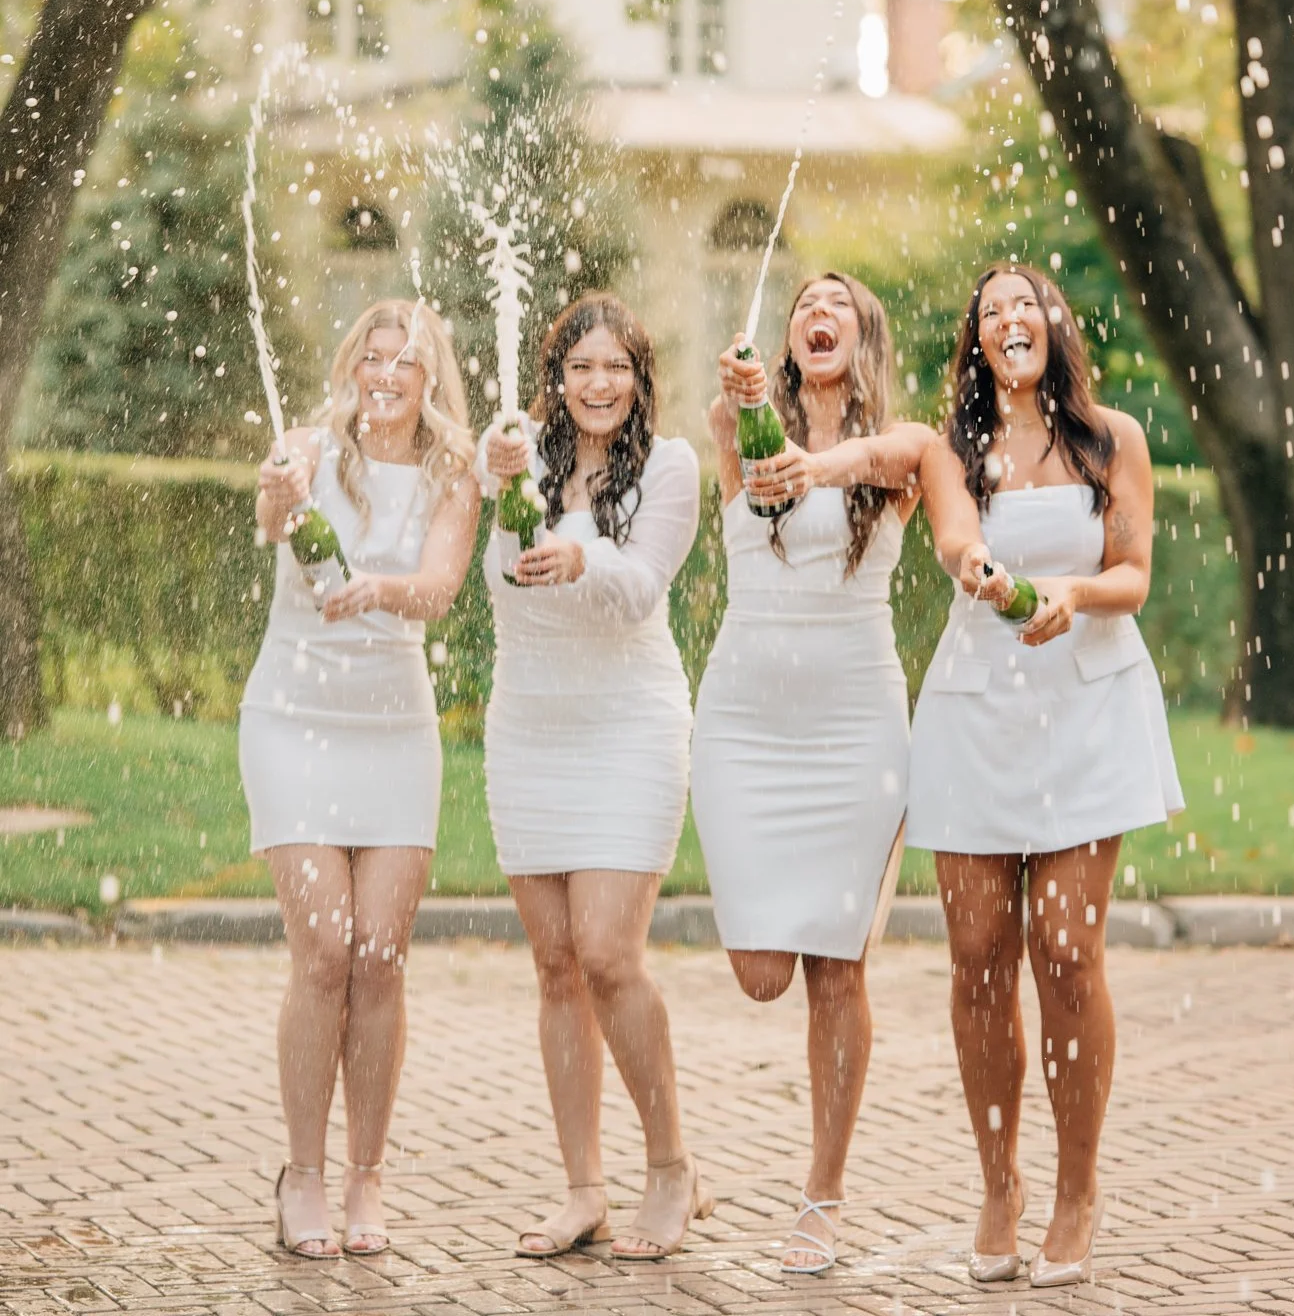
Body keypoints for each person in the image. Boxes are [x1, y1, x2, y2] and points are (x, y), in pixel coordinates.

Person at [909, 263, 1183, 1290]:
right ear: (977, 339)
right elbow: (952, 535)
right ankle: (999, 1181)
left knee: (1065, 950)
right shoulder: (953, 447)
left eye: (1025, 304)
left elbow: (1133, 573)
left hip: (1088, 706)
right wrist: (978, 568)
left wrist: (1067, 589)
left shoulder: (1112, 436)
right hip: (975, 711)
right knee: (978, 950)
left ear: (1053, 325)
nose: (1009, 319)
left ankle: (1077, 1185)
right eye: (990, 310)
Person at [690, 273, 932, 1276]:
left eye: (841, 304)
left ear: (864, 336)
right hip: (746, 719)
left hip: (853, 723)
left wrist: (814, 463)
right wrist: (747, 390)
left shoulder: (901, 448)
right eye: (804, 304)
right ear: (788, 337)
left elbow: (900, 452)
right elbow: (738, 414)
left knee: (839, 968)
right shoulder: (738, 424)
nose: (818, 313)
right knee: (759, 974)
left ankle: (821, 1199)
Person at [240, 300, 480, 1260]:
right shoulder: (306, 449)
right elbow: (271, 523)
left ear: (430, 380)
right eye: (372, 357)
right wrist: (274, 491)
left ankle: (366, 1176)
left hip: (393, 728)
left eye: (406, 363)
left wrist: (377, 590)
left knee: (381, 952)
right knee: (325, 952)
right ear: (352, 366)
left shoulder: (450, 471)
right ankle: (302, 1175)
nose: (386, 375)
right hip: (292, 721)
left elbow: (439, 588)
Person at [478, 293, 709, 1261]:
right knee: (555, 965)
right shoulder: (516, 454)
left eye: (616, 366)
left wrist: (579, 553)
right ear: (556, 376)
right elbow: (497, 580)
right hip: (530, 723)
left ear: (639, 375)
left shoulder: (670, 464)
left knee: (610, 951)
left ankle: (670, 1168)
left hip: (628, 724)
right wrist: (495, 489)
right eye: (581, 367)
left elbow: (640, 588)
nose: (598, 383)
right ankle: (583, 1188)